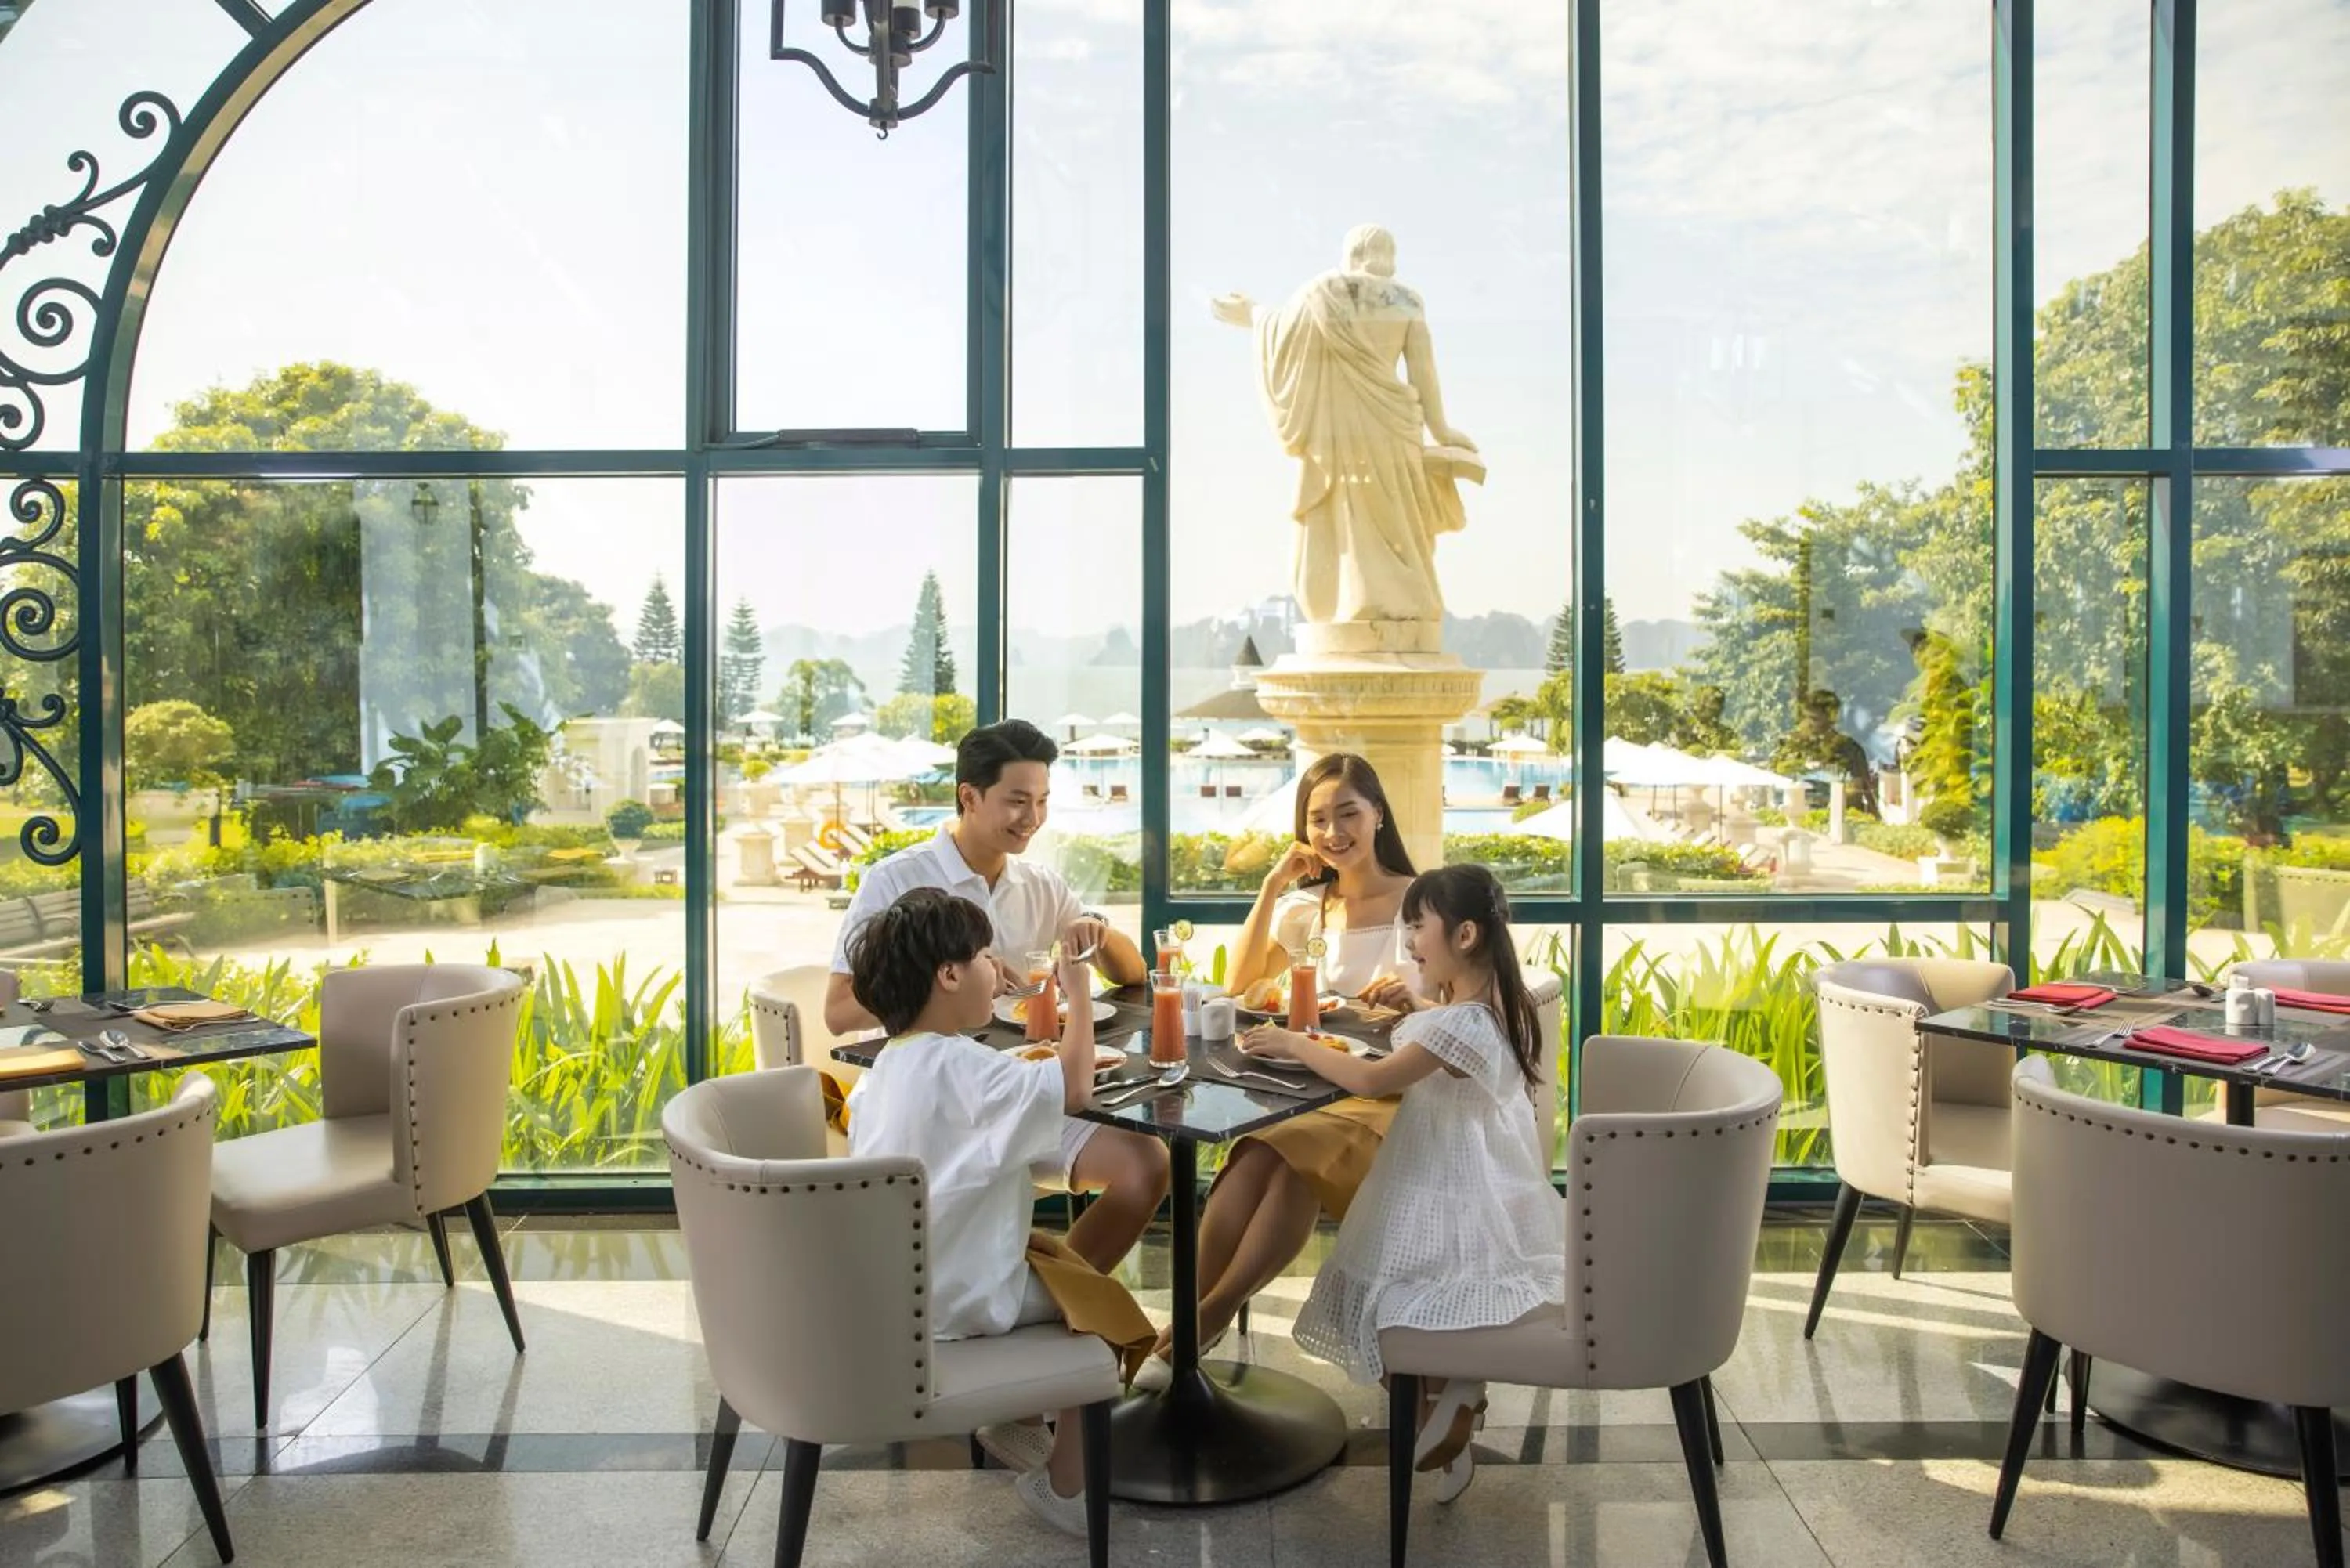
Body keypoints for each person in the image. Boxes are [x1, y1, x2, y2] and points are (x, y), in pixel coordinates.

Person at [1242, 862, 1562, 1504]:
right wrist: (1415, 1007)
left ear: (1465, 934)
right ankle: (1449, 1414)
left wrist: (1293, 1042)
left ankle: (1455, 1393)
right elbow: (1452, 1045)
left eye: (1418, 927)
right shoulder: (1492, 1004)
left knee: (1376, 1310)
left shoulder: (1460, 1022)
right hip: (1481, 1182)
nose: (1410, 940)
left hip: (1438, 1187)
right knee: (1391, 1313)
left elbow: (1370, 1081)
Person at [844, 888, 1156, 1536]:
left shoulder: (882, 1073)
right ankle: (1064, 1487)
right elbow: (1074, 1087)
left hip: (901, 1288)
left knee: (1061, 1263)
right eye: (985, 955)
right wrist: (1073, 990)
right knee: (1102, 1308)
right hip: (961, 1295)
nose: (997, 967)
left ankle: (1017, 1419)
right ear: (949, 974)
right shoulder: (965, 1066)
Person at [825, 719, 1167, 1283]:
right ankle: (1011, 1302)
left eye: (1042, 801)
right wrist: (934, 975)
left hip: (1018, 1084)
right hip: (935, 1102)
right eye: (1016, 801)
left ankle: (1062, 1303)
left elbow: (1132, 974)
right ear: (969, 796)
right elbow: (838, 1011)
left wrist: (1093, 927)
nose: (1031, 818)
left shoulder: (1040, 883)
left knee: (1146, 1164)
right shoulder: (896, 881)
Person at [1140, 753, 1422, 1378]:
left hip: (1386, 1092)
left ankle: (1204, 1321)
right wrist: (1271, 887)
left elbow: (1460, 1007)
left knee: (1293, 1164)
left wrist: (1414, 1000)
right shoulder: (1305, 909)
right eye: (1318, 819)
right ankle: (1191, 1319)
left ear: (1378, 814)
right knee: (1254, 1157)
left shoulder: (1419, 901)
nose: (1333, 831)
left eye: (1348, 813)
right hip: (1309, 1085)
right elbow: (1239, 983)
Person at [1211, 223, 1483, 628]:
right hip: (1394, 427)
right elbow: (1422, 371)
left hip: (1340, 435)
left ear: (1351, 254)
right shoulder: (1408, 301)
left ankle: (1349, 602)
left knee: (1346, 516)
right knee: (1400, 523)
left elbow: (1282, 333)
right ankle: (1405, 601)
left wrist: (1252, 312)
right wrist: (1442, 430)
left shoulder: (1322, 292)